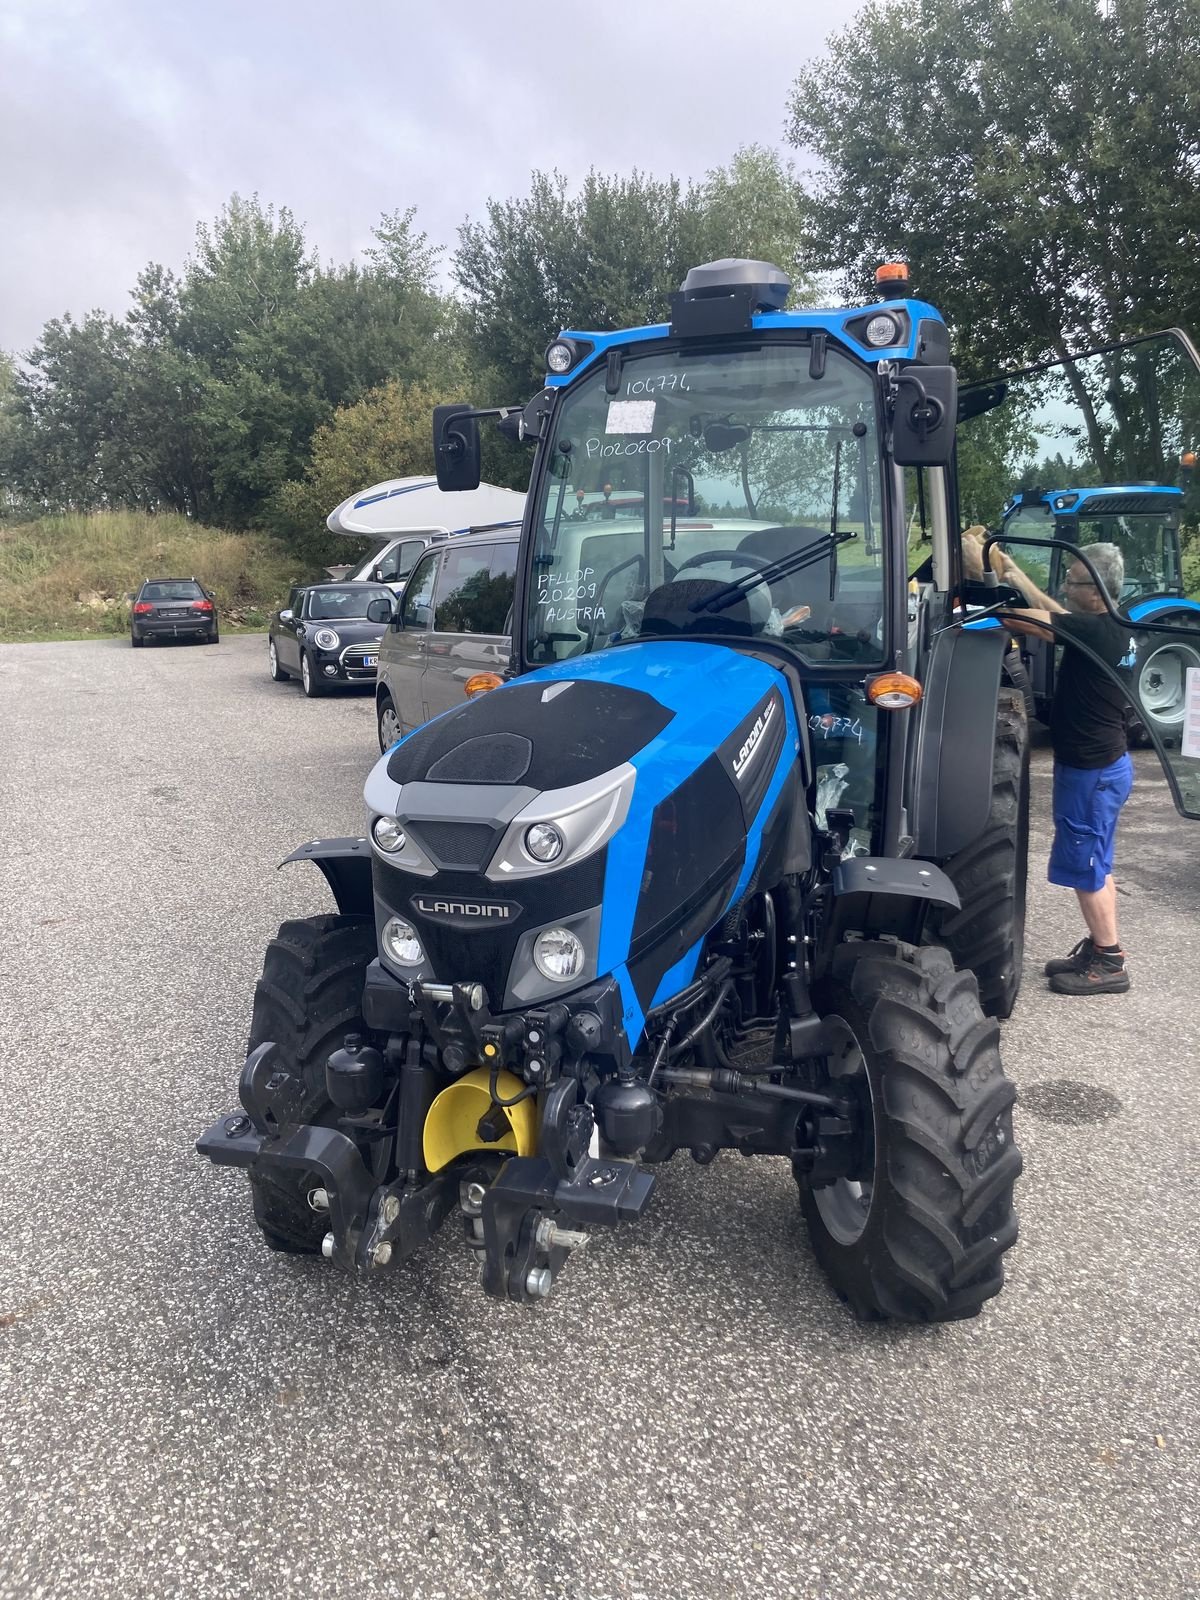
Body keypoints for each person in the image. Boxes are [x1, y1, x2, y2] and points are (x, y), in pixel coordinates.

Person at [966, 533, 1137, 995]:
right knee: (1096, 859)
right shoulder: (1112, 624)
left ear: (1096, 589)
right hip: (1105, 767)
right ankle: (1102, 946)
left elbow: (1018, 617)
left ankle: (1110, 960)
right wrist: (1012, 571)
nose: (1065, 589)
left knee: (1087, 865)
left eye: (1073, 582)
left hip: (1092, 771)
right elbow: (1055, 613)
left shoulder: (1092, 629)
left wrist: (986, 579)